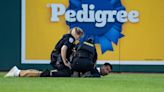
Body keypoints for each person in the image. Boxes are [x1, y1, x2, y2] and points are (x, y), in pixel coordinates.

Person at [4, 62, 112, 77]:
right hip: (66, 72)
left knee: (42, 73)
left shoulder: (94, 70)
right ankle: (17, 72)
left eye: (109, 71)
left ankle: (18, 71)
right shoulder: (92, 67)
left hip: (67, 73)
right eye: (106, 69)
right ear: (102, 66)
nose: (106, 72)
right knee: (42, 74)